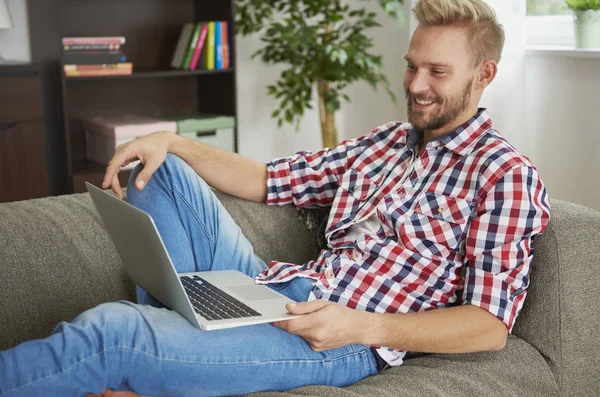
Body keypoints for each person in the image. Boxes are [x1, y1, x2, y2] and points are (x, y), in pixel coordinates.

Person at [0, 0, 551, 396]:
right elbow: (269, 179)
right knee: (162, 169)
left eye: (437, 72)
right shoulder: (385, 142)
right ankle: (169, 358)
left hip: (337, 339)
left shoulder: (503, 175)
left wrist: (362, 327)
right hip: (275, 286)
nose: (415, 84)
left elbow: (488, 325)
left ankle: (143, 358)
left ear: (484, 75)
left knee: (109, 333)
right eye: (411, 65)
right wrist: (173, 140)